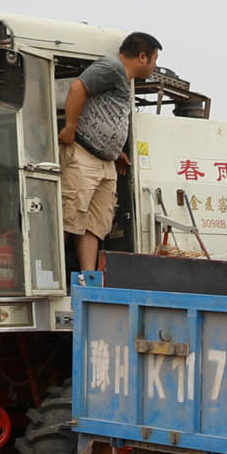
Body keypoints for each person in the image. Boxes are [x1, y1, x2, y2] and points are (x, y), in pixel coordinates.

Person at [60, 31, 160, 273]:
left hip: (105, 161)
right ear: (143, 56)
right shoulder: (112, 67)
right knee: (70, 216)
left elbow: (107, 114)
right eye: (155, 59)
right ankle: (47, 268)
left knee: (94, 223)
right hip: (84, 153)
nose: (155, 66)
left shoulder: (123, 79)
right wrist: (70, 128)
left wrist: (116, 151)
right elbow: (78, 87)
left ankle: (88, 277)